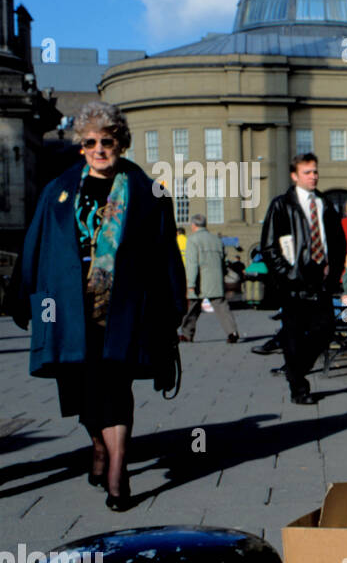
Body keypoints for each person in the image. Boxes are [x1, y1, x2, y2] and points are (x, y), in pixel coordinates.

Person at [15, 100, 186, 511]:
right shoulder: (58, 190)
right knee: (82, 390)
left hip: (123, 309)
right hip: (70, 311)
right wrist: (24, 300)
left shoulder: (150, 191)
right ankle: (98, 447)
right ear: (81, 145)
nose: (98, 149)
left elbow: (166, 255)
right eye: (89, 142)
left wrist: (173, 305)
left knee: (115, 388)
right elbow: (35, 248)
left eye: (106, 141)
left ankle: (118, 473)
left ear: (120, 143)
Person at [259, 153, 345, 404]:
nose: (313, 176)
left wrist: (335, 270)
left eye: (315, 171)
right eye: (307, 172)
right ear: (295, 176)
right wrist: (287, 274)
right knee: (294, 336)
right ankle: (299, 389)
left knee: (326, 328)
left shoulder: (325, 204)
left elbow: (337, 242)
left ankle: (295, 370)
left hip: (321, 280)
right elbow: (269, 246)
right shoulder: (281, 205)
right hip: (294, 282)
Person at [179, 214, 240, 344]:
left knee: (191, 309)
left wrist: (190, 284)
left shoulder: (193, 240)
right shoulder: (217, 240)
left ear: (193, 225)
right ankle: (232, 332)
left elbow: (192, 264)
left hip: (200, 280)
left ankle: (186, 334)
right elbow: (223, 262)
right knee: (222, 308)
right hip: (215, 280)